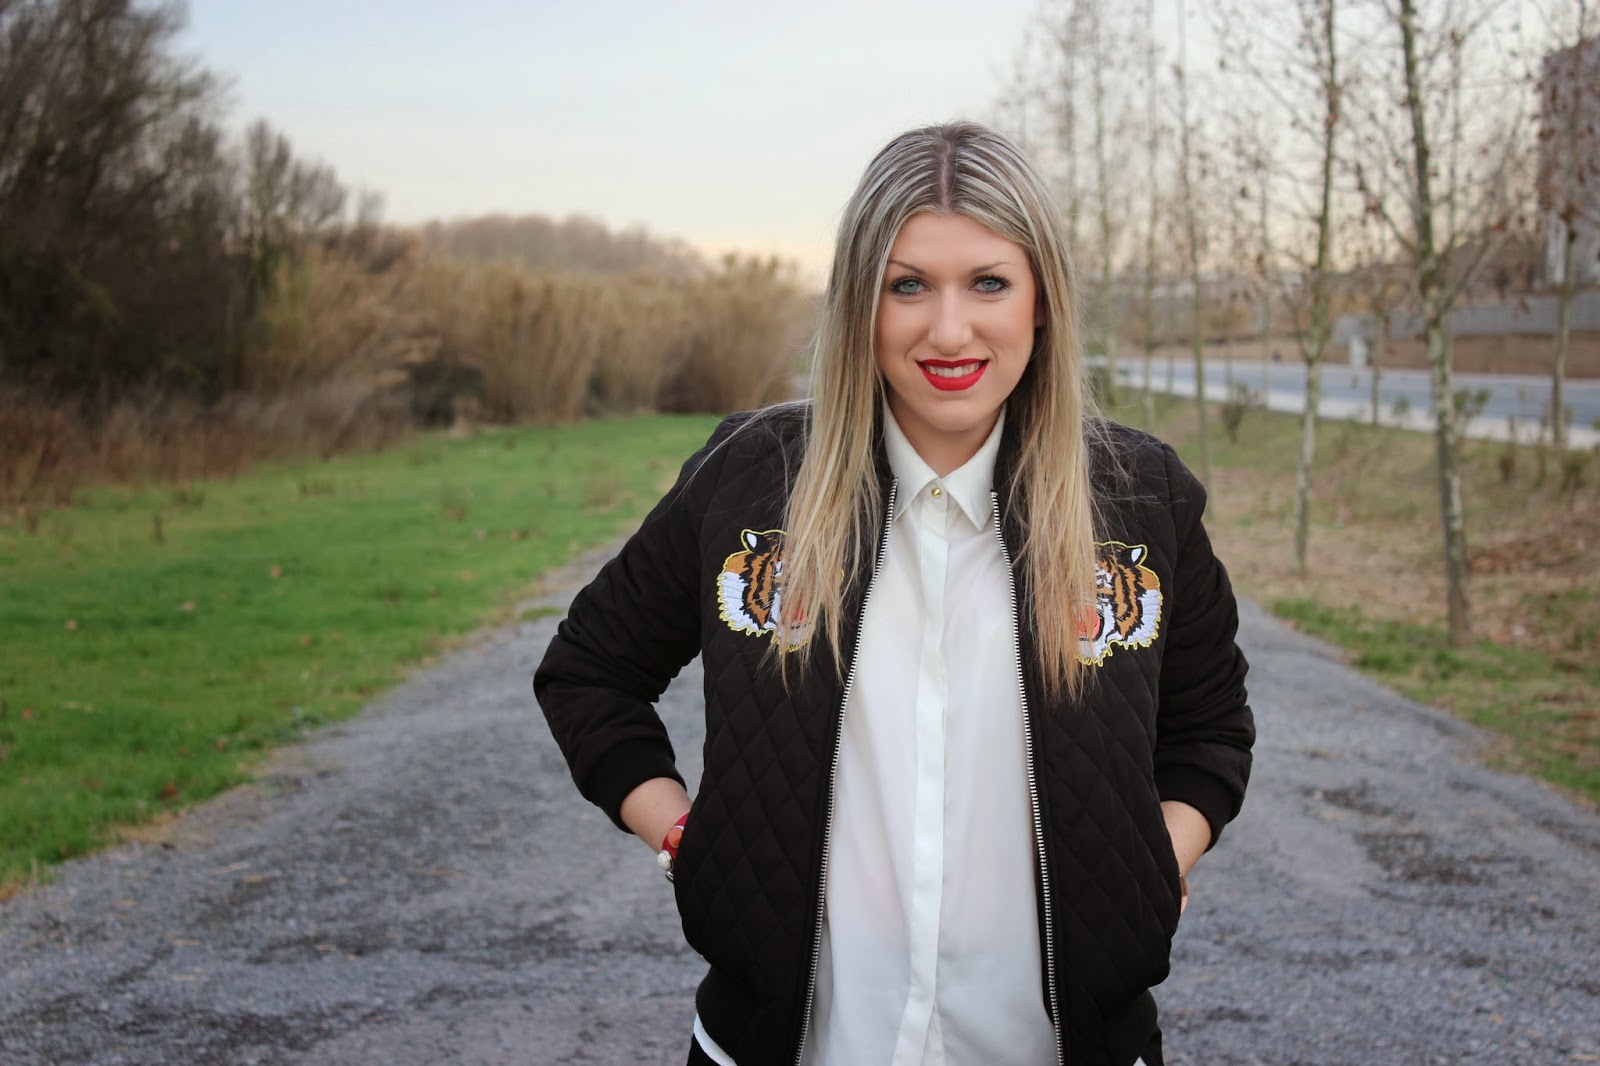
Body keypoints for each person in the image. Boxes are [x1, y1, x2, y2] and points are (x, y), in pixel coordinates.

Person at [536, 121, 1253, 1066]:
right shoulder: (749, 481)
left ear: (1042, 300)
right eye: (907, 285)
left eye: (988, 283)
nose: (948, 331)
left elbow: (1209, 732)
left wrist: (1157, 861)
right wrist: (684, 836)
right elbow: (589, 673)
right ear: (858, 304)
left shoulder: (1141, 498)